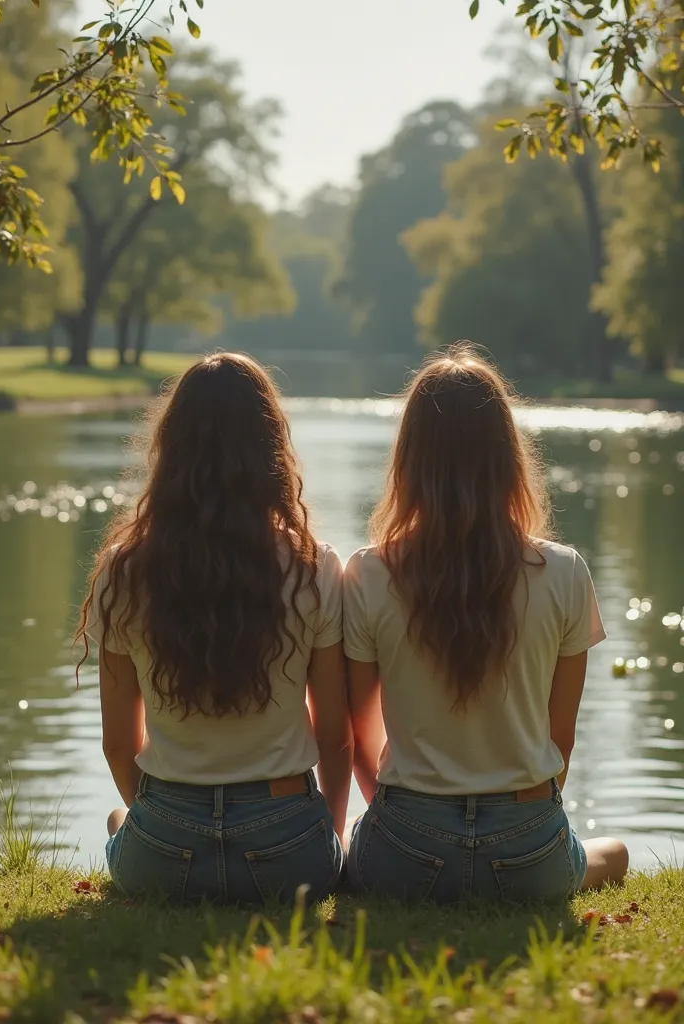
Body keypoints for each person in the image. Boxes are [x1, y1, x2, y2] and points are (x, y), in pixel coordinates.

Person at [344, 344, 628, 903]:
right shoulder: (566, 572)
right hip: (526, 839)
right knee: (614, 852)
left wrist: (406, 814)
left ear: (409, 458)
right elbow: (560, 739)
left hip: (405, 847)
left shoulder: (368, 573)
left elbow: (358, 734)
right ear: (507, 457)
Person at [76, 353, 352, 905]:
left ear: (171, 448)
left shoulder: (123, 568)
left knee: (118, 817)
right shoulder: (312, 565)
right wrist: (332, 835)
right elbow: (335, 739)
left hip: (166, 846)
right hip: (287, 849)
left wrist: (166, 821)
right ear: (271, 449)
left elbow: (116, 743)